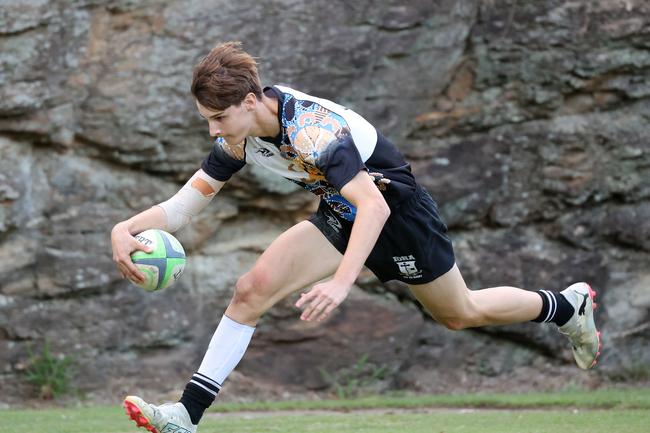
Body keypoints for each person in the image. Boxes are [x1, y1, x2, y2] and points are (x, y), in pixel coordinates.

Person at [111, 41, 601, 433]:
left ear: (250, 101)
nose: (214, 131)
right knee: (250, 290)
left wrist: (342, 283)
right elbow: (184, 206)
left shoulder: (312, 130)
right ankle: (185, 417)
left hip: (399, 213)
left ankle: (565, 306)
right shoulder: (238, 136)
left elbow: (376, 205)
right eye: (207, 121)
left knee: (459, 313)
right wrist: (124, 229)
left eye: (219, 119)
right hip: (343, 213)